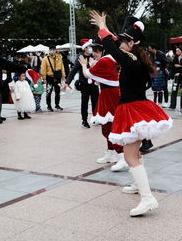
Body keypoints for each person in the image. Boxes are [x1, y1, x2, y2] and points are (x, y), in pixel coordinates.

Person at [90, 11, 172, 216]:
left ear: (131, 43)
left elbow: (110, 45)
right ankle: (138, 185)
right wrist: (105, 29)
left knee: (129, 156)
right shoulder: (137, 58)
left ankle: (147, 198)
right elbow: (115, 44)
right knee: (134, 153)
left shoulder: (129, 59)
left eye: (124, 41)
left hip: (131, 109)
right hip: (137, 107)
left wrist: (102, 26)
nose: (119, 44)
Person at [73, 38, 127, 171]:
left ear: (104, 50)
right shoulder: (110, 59)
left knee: (109, 126)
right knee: (108, 125)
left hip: (109, 95)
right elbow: (98, 80)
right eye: (93, 50)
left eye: (97, 51)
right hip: (109, 93)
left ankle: (121, 155)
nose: (94, 53)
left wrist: (84, 64)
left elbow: (86, 75)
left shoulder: (106, 60)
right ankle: (111, 152)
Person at [66, 42, 99, 128]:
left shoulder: (94, 56)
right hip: (84, 84)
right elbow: (73, 70)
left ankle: (95, 118)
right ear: (85, 48)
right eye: (89, 47)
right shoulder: (80, 58)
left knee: (95, 102)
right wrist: (67, 82)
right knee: (85, 102)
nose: (91, 48)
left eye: (91, 47)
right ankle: (84, 120)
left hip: (94, 83)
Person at [40, 45, 65, 112]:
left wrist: (63, 76)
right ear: (49, 50)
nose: (52, 51)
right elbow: (43, 69)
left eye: (53, 49)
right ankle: (49, 106)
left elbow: (62, 67)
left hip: (57, 77)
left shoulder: (59, 57)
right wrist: (44, 78)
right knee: (49, 92)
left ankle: (57, 104)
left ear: (55, 50)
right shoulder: (45, 58)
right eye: (51, 49)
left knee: (58, 92)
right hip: (49, 77)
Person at [169, 46, 182, 111]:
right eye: (176, 51)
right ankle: (172, 105)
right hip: (176, 76)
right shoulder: (175, 58)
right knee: (174, 90)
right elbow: (172, 67)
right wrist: (172, 75)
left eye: (178, 51)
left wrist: (180, 68)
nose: (177, 52)